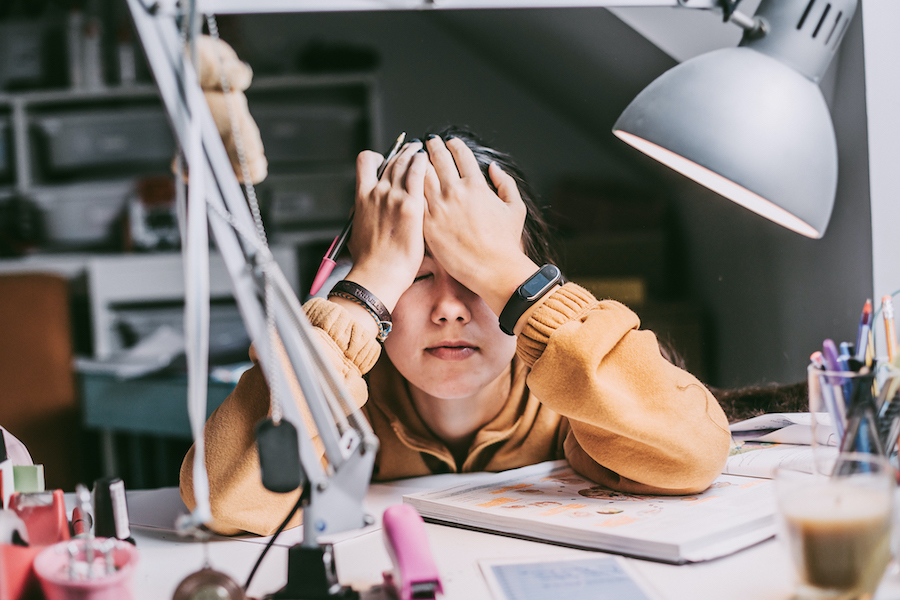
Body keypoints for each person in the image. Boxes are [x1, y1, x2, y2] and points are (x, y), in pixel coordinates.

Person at [180, 127, 732, 536]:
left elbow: (694, 455)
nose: (449, 310)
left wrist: (516, 279)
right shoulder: (341, 405)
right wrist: (362, 287)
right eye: (415, 276)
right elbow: (228, 499)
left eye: (478, 279)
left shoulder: (575, 392)